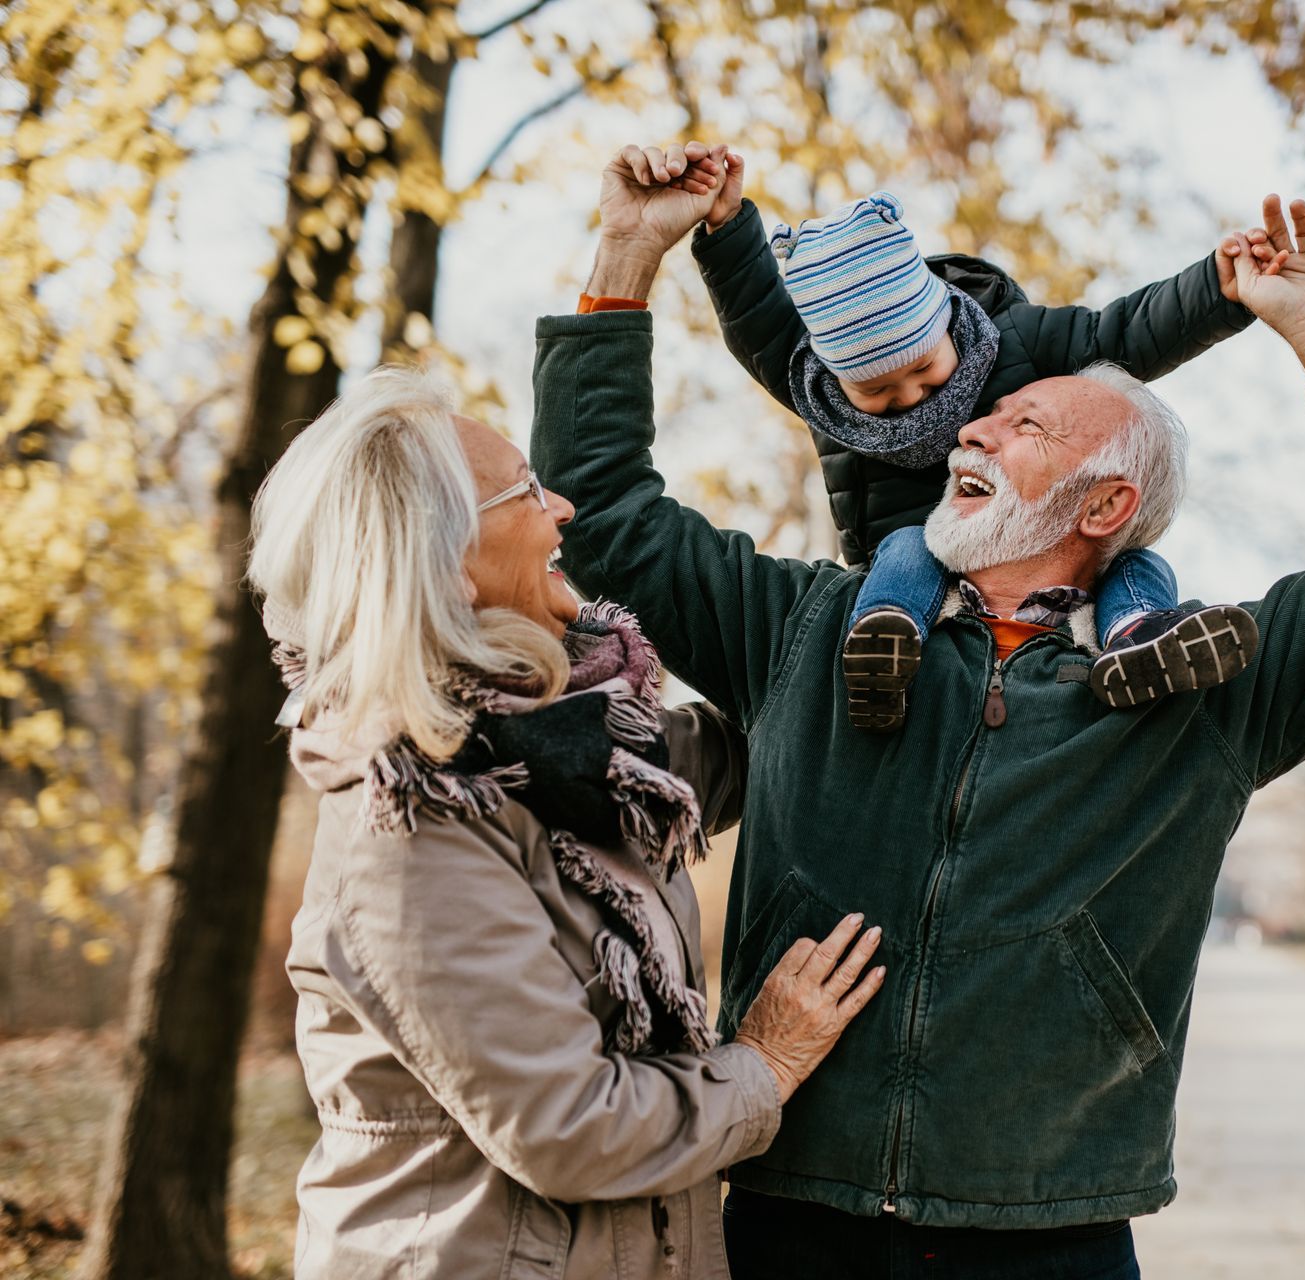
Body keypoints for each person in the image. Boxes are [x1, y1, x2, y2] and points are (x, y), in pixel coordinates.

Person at [534, 141, 1305, 1279]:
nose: (970, 428)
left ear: (1110, 501)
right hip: (792, 1212)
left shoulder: (1204, 685)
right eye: (983, 421)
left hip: (1054, 1234)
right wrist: (629, 251)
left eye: (1025, 424)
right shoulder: (808, 629)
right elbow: (606, 517)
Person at [249, 369, 886, 1279]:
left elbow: (748, 745)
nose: (563, 507)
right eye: (525, 490)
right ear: (450, 563)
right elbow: (571, 1128)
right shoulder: (415, 817)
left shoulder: (559, 751)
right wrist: (766, 1061)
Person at [663, 144, 1275, 729]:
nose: (909, 396)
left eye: (924, 369)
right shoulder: (823, 398)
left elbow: (1128, 333)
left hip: (1034, 563)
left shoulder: (1019, 342)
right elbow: (757, 320)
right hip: (910, 573)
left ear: (945, 322)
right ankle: (883, 640)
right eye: (876, 391)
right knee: (907, 545)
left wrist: (1217, 292)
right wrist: (727, 228)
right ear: (833, 377)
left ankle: (1138, 640)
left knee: (1134, 561)